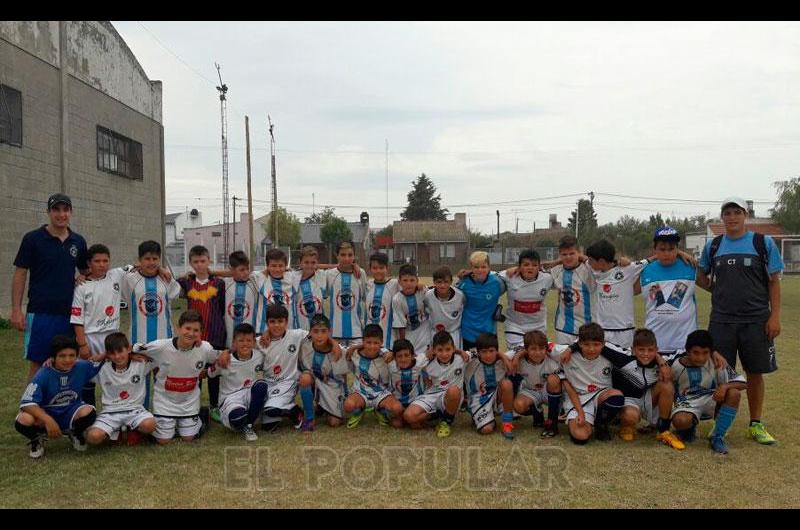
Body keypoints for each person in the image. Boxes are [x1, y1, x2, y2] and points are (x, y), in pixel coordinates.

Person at [696, 196, 784, 445]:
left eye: (737, 212)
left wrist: (774, 316)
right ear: (722, 217)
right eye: (727, 213)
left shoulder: (762, 243)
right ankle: (718, 424)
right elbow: (701, 275)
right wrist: (720, 290)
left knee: (754, 372)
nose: (732, 217)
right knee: (721, 373)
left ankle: (755, 424)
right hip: (722, 321)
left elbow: (774, 282)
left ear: (745, 216)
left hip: (756, 320)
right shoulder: (713, 246)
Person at [563, 328, 685, 450]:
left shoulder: (663, 361)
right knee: (630, 415)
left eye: (650, 350)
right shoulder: (623, 357)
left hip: (648, 398)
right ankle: (626, 426)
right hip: (628, 400)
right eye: (641, 350)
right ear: (632, 349)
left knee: (667, 385)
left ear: (656, 350)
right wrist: (570, 349)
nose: (646, 354)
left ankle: (663, 431)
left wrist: (661, 362)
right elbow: (591, 340)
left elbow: (685, 351)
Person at [12, 193, 88, 382]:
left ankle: (60, 407)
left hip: (69, 313)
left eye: (65, 210)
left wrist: (82, 277)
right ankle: (29, 408)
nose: (61, 214)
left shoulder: (78, 241)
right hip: (41, 312)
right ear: (48, 212)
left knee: (67, 362)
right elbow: (20, 273)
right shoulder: (33, 239)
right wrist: (16, 310)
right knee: (39, 363)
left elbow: (88, 270)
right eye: (56, 210)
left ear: (71, 212)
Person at [132, 310, 222, 444]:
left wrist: (209, 371)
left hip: (189, 402)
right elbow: (134, 348)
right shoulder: (161, 346)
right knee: (163, 440)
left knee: (188, 438)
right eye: (187, 328)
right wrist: (133, 354)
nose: (191, 333)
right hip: (165, 402)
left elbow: (222, 357)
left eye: (196, 330)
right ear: (178, 328)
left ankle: (203, 416)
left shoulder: (205, 348)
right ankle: (171, 425)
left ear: (200, 333)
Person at [15, 335, 101, 458]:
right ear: (53, 357)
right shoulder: (43, 374)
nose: (67, 360)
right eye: (62, 356)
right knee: (24, 419)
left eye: (72, 355)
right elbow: (26, 403)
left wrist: (130, 353)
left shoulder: (81, 366)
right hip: (47, 414)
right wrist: (48, 420)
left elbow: (103, 359)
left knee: (89, 411)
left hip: (70, 411)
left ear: (77, 356)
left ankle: (75, 433)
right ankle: (36, 439)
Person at [121, 240, 182, 409]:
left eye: (155, 259)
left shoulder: (166, 279)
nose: (151, 262)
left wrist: (163, 271)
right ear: (139, 260)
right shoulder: (130, 279)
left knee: (163, 382)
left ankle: (164, 417)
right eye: (147, 258)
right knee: (140, 383)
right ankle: (143, 416)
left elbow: (175, 294)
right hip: (139, 341)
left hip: (164, 341)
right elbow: (121, 284)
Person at [70, 244, 134, 406]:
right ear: (89, 264)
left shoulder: (116, 275)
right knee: (88, 379)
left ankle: (116, 409)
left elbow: (140, 266)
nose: (102, 264)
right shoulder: (81, 287)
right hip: (90, 338)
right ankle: (89, 414)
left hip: (112, 335)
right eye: (97, 261)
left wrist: (161, 270)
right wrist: (82, 344)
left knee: (115, 375)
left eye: (105, 261)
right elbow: (77, 320)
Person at [669, 330, 748, 455]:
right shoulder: (676, 366)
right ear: (687, 351)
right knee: (681, 421)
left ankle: (717, 436)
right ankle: (688, 428)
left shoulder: (717, 362)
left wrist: (725, 387)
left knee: (734, 393)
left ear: (711, 352)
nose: (700, 357)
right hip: (687, 403)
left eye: (705, 353)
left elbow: (743, 383)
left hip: (712, 400)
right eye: (696, 353)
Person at [177, 245, 227, 422]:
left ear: (209, 261)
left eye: (203, 261)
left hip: (215, 335)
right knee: (195, 372)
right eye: (195, 262)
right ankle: (193, 406)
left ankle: (215, 406)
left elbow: (221, 309)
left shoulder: (219, 283)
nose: (199, 265)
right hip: (194, 337)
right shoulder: (187, 283)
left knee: (214, 373)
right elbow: (170, 280)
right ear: (190, 263)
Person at [85, 332, 156, 446]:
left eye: (120, 351)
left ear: (128, 349)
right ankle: (117, 433)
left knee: (150, 425)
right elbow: (83, 366)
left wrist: (133, 353)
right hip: (110, 413)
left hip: (135, 410)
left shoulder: (140, 363)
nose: (117, 357)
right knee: (93, 437)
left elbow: (158, 354)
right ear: (107, 354)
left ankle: (127, 433)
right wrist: (102, 356)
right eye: (112, 353)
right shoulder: (102, 368)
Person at [559, 323, 625, 444]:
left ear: (603, 344)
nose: (591, 349)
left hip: (601, 395)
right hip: (578, 399)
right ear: (579, 343)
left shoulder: (610, 354)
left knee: (617, 396)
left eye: (596, 345)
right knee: (581, 437)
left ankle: (601, 424)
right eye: (587, 345)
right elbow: (542, 346)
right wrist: (580, 413)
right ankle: (582, 420)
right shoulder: (566, 353)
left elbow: (635, 354)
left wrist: (660, 360)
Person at [639, 227, 698, 352]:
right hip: (655, 345)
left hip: (685, 345)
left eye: (671, 249)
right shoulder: (644, 271)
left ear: (678, 248)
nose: (667, 253)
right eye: (662, 249)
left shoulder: (691, 266)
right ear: (654, 249)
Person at [207, 323, 268, 441]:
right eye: (241, 341)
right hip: (230, 399)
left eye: (248, 340)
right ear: (234, 343)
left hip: (249, 393)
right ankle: (245, 418)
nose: (245, 344)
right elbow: (210, 374)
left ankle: (249, 425)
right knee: (237, 418)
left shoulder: (260, 356)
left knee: (261, 385)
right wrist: (219, 360)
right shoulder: (225, 359)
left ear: (254, 342)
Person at [403, 330, 467, 438]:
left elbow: (480, 354)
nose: (444, 354)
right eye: (440, 350)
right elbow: (407, 361)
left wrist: (460, 352)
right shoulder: (427, 361)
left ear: (453, 348)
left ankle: (446, 422)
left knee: (454, 390)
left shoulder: (462, 358)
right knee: (409, 416)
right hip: (432, 394)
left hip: (451, 396)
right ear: (434, 350)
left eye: (448, 349)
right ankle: (437, 415)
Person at [343, 324, 403, 428]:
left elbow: (401, 351)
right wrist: (355, 347)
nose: (372, 346)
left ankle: (380, 410)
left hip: (381, 394)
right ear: (363, 341)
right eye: (368, 342)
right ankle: (359, 411)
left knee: (397, 409)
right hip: (361, 393)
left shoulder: (386, 355)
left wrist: (393, 353)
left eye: (376, 343)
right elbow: (341, 349)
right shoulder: (354, 353)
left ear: (381, 342)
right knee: (348, 406)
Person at [297, 314, 348, 431]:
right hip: (313, 379)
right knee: (305, 378)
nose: (319, 336)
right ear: (310, 332)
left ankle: (322, 406)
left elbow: (343, 375)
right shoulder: (304, 343)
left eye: (323, 331)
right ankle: (310, 419)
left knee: (334, 423)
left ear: (329, 332)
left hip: (331, 385)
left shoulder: (338, 351)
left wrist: (346, 394)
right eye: (315, 331)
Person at [510, 330, 565, 438]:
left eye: (541, 349)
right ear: (526, 350)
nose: (538, 352)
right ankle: (537, 413)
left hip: (548, 391)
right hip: (531, 391)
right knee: (518, 406)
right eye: (533, 349)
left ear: (546, 349)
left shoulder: (553, 360)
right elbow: (500, 356)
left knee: (553, 379)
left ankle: (552, 424)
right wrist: (516, 358)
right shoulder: (520, 360)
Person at [498, 250, 555, 349]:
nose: (530, 268)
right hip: (515, 326)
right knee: (518, 355)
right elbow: (484, 274)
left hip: (538, 326)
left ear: (539, 267)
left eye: (534, 265)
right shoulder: (508, 275)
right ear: (519, 266)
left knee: (536, 356)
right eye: (526, 264)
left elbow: (568, 265)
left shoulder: (547, 278)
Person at [547, 235, 597, 345]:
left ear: (579, 253)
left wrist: (586, 259)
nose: (568, 257)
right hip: (563, 328)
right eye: (564, 254)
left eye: (572, 253)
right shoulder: (555, 271)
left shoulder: (589, 270)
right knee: (565, 360)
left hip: (587, 328)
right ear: (559, 255)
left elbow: (605, 266)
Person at [464, 333, 515, 439]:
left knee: (507, 383)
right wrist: (501, 355)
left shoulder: (502, 360)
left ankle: (507, 423)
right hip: (478, 398)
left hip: (497, 396)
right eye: (484, 352)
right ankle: (485, 417)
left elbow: (523, 347)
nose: (488, 355)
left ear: (496, 351)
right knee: (487, 430)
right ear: (478, 352)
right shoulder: (471, 360)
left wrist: (503, 357)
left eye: (491, 351)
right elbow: (459, 353)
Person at [456, 251, 506, 350]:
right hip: (468, 332)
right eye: (476, 267)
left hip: (489, 333)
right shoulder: (463, 284)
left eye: (483, 267)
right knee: (470, 363)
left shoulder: (498, 283)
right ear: (471, 268)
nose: (480, 270)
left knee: (490, 363)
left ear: (489, 268)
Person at [325, 242, 368, 347]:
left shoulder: (360, 273)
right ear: (337, 256)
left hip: (357, 332)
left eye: (350, 255)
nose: (346, 258)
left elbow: (365, 298)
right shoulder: (329, 275)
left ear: (354, 256)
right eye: (343, 255)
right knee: (338, 363)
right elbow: (310, 268)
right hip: (335, 333)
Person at [391, 264, 431, 362]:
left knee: (427, 359)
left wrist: (425, 286)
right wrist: (403, 343)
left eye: (412, 280)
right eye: (405, 280)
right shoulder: (397, 299)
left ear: (417, 281)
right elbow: (401, 324)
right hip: (409, 333)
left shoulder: (423, 291)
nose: (409, 283)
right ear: (399, 282)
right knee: (413, 360)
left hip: (425, 330)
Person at [365, 252, 400, 349]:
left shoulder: (394, 284)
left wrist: (419, 286)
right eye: (375, 268)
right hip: (370, 341)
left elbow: (410, 286)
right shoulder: (368, 285)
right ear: (370, 269)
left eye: (381, 268)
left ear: (387, 268)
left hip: (389, 341)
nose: (378, 271)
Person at [424, 266, 465, 349]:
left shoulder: (460, 296)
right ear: (434, 282)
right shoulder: (428, 296)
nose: (442, 285)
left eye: (446, 282)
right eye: (439, 282)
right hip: (435, 334)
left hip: (454, 334)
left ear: (451, 282)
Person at [292, 246, 328, 331]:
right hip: (298, 330)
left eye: (313, 262)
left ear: (317, 263)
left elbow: (340, 268)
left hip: (318, 330)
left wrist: (354, 266)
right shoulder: (292, 277)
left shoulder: (322, 276)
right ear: (300, 263)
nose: (309, 265)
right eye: (306, 262)